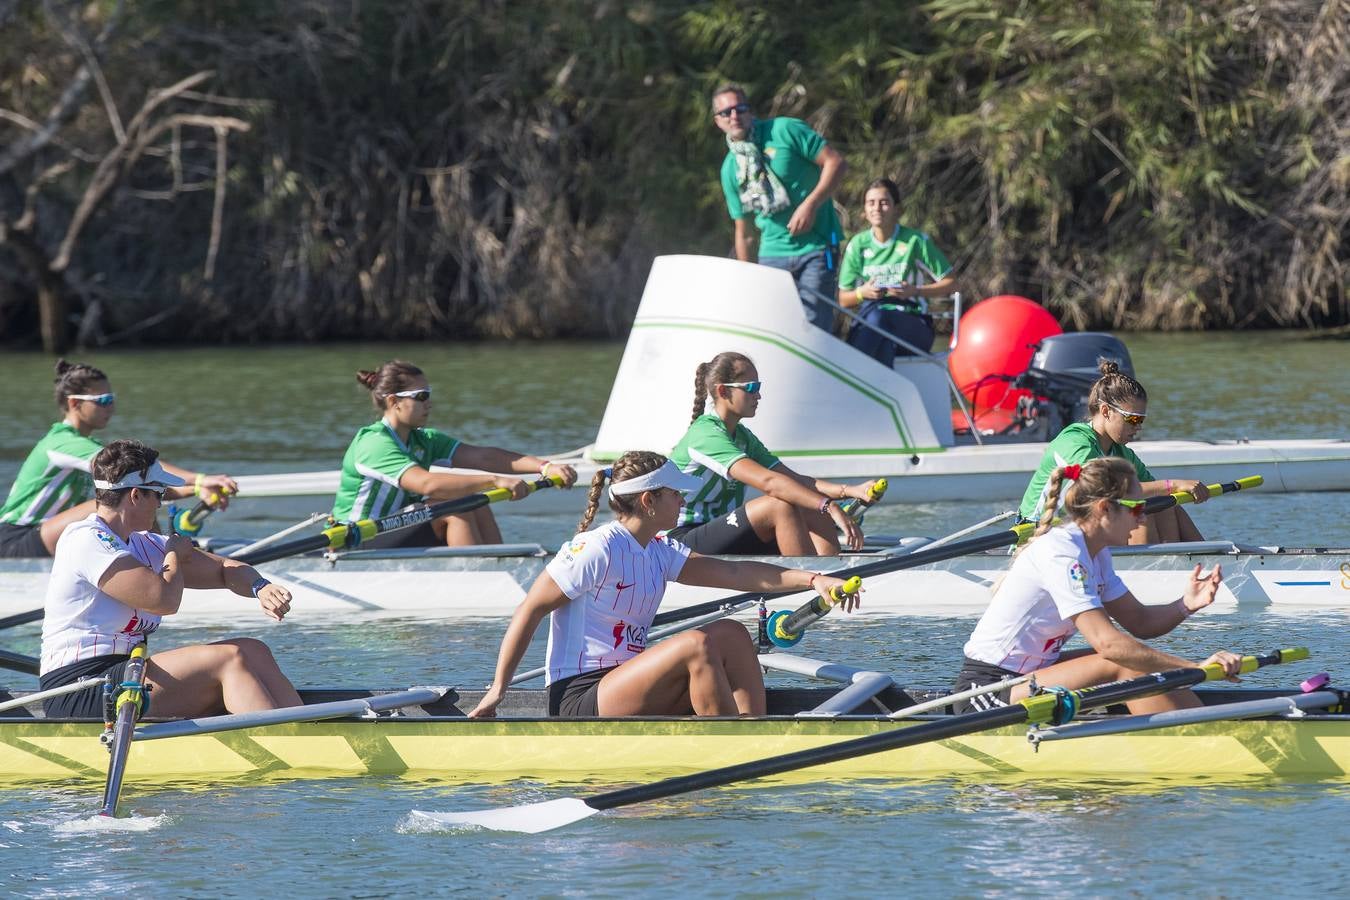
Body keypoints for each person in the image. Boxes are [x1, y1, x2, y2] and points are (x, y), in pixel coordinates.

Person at [468, 451, 860, 718]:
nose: (681, 500)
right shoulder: (595, 549)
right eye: (674, 493)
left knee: (731, 633)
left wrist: (813, 578)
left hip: (629, 679)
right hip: (581, 695)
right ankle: (728, 744)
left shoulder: (658, 549)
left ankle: (751, 728)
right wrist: (498, 689)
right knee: (696, 645)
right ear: (648, 501)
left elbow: (737, 575)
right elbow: (530, 611)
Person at [954, 458, 1243, 714]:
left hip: (1032, 675)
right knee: (1126, 661)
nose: (1144, 518)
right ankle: (1199, 739)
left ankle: (1197, 728)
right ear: (1104, 508)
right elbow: (1109, 645)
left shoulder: (1096, 552)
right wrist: (1195, 669)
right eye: (1137, 508)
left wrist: (1185, 605)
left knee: (1137, 656)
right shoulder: (1061, 554)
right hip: (987, 692)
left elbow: (1140, 622)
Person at [39, 440, 300, 719]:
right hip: (80, 687)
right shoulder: (86, 539)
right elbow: (162, 601)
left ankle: (309, 729)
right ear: (136, 496)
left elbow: (226, 568)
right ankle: (288, 745)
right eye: (159, 493)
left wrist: (260, 587)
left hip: (127, 673)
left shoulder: (144, 542)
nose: (161, 503)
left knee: (253, 650)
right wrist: (174, 554)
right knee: (228, 659)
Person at [0, 360, 237, 559]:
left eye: (112, 399)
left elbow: (140, 478)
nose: (111, 407)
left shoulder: (85, 445)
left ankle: (156, 553)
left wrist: (196, 488)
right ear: (74, 403)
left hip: (47, 535)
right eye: (103, 401)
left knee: (130, 494)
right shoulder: (60, 443)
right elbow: (136, 471)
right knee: (123, 500)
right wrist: (201, 480)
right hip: (16, 541)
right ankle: (159, 557)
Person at [333, 360, 578, 547]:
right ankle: (479, 578)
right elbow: (427, 484)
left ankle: (501, 563)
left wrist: (545, 467)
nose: (429, 403)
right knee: (455, 508)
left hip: (393, 529)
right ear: (394, 401)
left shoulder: (425, 439)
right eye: (421, 396)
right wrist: (493, 481)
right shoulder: (374, 443)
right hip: (353, 540)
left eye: (429, 394)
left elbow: (485, 457)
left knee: (475, 503)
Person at [666, 351, 880, 556]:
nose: (758, 395)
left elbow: (794, 481)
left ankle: (831, 575)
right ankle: (810, 581)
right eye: (751, 387)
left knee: (808, 501)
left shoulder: (743, 437)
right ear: (723, 392)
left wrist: (850, 491)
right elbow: (770, 482)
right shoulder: (705, 435)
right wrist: (828, 506)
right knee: (782, 504)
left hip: (720, 532)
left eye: (758, 387)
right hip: (680, 540)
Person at [1018, 360, 1208, 544]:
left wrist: (1172, 490)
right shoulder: (1074, 443)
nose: (1139, 427)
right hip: (1039, 536)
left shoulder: (1121, 452)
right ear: (1106, 411)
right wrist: (1173, 483)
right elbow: (1107, 491)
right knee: (1142, 508)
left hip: (1082, 532)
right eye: (1133, 419)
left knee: (1166, 505)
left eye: (1141, 420)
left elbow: (1156, 492)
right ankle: (1153, 569)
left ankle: (1206, 561)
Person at [712, 84, 847, 333]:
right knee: (774, 328)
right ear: (717, 121)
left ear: (749, 111)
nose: (734, 116)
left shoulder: (784, 130)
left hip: (816, 247)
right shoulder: (730, 168)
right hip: (772, 254)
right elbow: (744, 232)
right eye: (726, 112)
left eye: (740, 108)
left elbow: (835, 163)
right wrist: (747, 277)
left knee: (813, 327)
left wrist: (811, 204)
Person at [837, 177, 957, 365]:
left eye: (884, 202)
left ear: (897, 209)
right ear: (864, 211)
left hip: (913, 323)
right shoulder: (857, 245)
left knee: (879, 319)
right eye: (871, 203)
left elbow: (952, 282)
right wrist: (863, 293)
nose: (877, 208)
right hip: (872, 319)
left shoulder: (915, 241)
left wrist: (915, 291)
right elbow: (843, 299)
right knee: (882, 342)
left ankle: (853, 374)